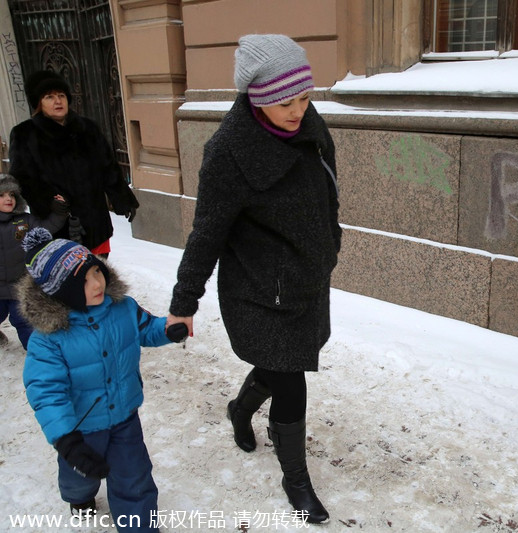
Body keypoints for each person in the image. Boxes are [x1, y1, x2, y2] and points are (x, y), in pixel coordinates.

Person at [166, 34, 341, 524]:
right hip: (260, 290)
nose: (298, 110)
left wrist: (331, 240)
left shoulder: (308, 122)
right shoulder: (229, 151)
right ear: (258, 97)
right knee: (290, 380)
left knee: (281, 364)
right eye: (286, 102)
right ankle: (296, 479)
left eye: (304, 97)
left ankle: (240, 409)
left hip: (306, 278)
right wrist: (184, 302)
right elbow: (207, 233)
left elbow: (328, 187)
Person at [18, 228, 188, 530]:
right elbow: (46, 391)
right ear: (61, 291)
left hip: (124, 416)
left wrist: (167, 330)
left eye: (96, 271)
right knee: (79, 475)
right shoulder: (49, 338)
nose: (97, 283)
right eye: (83, 280)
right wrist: (66, 440)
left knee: (134, 476)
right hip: (81, 426)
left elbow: (146, 328)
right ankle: (78, 496)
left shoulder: (123, 307)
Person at [9, 70, 138, 257]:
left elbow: (107, 167)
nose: (58, 101)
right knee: (67, 273)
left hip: (95, 223)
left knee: (98, 270)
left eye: (61, 95)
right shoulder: (25, 134)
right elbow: (22, 179)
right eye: (49, 97)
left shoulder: (87, 128)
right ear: (39, 103)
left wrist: (122, 198)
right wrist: (48, 201)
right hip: (57, 225)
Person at [0, 174, 68, 350]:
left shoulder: (24, 220)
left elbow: (46, 228)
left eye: (12, 194)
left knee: (23, 321)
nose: (8, 199)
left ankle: (35, 351)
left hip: (18, 285)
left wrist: (59, 211)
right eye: (2, 195)